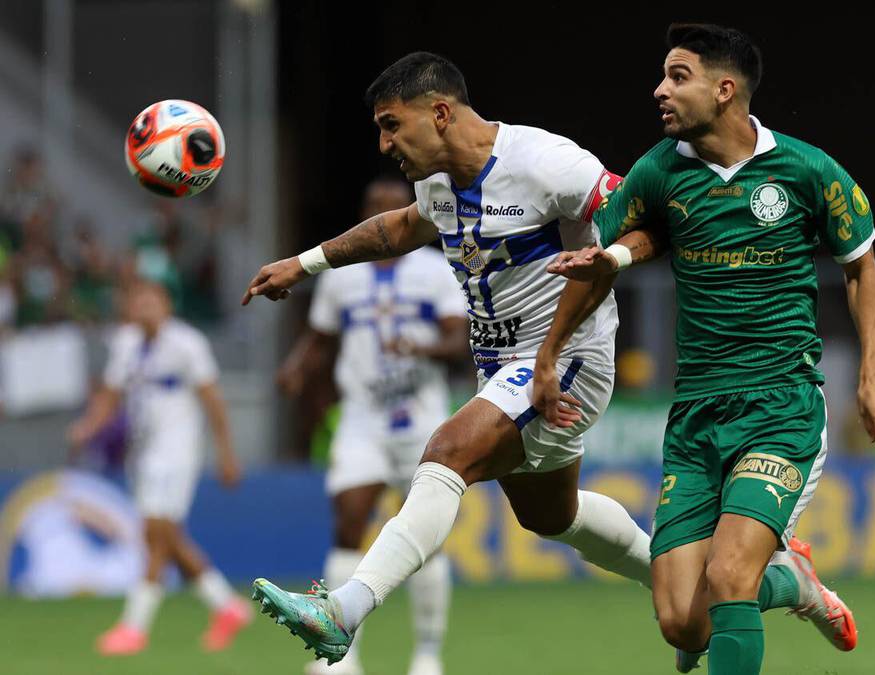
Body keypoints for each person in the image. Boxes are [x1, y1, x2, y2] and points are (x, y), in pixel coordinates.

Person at [241, 52, 654, 665]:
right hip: (505, 369)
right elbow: (400, 229)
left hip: (563, 359)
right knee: (552, 516)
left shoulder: (547, 163)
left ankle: (344, 610)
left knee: (445, 454)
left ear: (439, 112)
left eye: (390, 124)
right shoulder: (436, 181)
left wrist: (612, 259)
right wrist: (304, 264)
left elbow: (644, 220)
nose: (384, 144)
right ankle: (686, 577)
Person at [541, 24, 875, 674]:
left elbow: (862, 266)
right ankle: (795, 583)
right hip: (696, 415)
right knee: (681, 623)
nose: (660, 90)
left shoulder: (805, 169)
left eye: (677, 76)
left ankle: (768, 577)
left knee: (730, 574)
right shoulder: (657, 172)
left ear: (725, 90)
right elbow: (609, 255)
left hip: (781, 406)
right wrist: (550, 353)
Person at [277, 177, 468, 675]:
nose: (381, 215)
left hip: (423, 419)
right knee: (347, 524)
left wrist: (422, 347)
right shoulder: (342, 276)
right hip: (362, 417)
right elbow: (320, 338)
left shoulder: (434, 271)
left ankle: (427, 654)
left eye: (390, 207)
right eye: (372, 207)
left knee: (427, 537)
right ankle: (343, 657)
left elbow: (458, 341)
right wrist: (297, 368)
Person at [68, 280, 248, 655]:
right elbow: (111, 395)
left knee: (155, 533)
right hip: (145, 455)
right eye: (139, 301)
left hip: (178, 452)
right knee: (165, 537)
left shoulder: (187, 344)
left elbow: (213, 400)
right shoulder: (126, 344)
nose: (146, 308)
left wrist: (226, 454)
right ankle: (227, 606)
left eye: (153, 301)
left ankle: (134, 628)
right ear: (130, 307)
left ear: (167, 305)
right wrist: (88, 426)